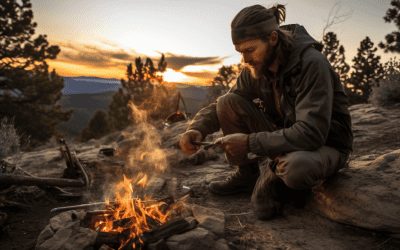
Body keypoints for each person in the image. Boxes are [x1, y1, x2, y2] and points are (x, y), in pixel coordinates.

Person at [179, 4, 353, 220]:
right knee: (228, 102)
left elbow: (312, 133)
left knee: (296, 168)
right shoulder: (256, 68)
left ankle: (276, 176)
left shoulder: (311, 64)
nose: (245, 59)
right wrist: (197, 129)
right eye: (240, 52)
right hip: (287, 135)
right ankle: (247, 176)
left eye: (250, 50)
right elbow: (221, 107)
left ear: (272, 38)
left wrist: (250, 142)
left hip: (325, 144)